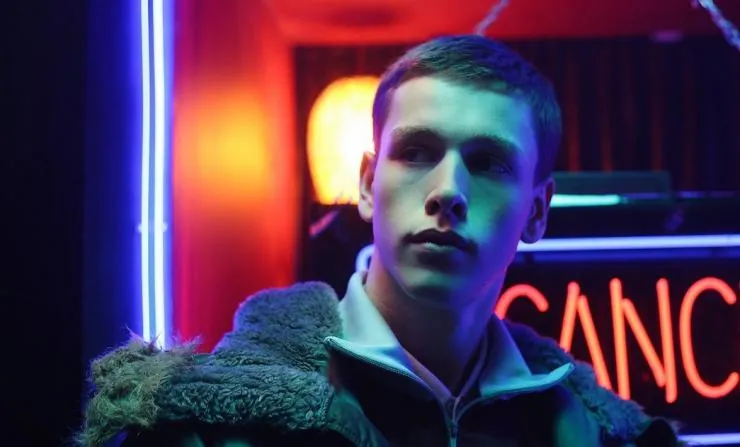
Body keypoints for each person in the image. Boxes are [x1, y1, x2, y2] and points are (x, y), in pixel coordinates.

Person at [78, 35, 682, 447]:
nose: (448, 191)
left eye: (488, 163)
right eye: (416, 152)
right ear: (368, 184)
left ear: (537, 211)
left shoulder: (597, 433)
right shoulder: (209, 427)